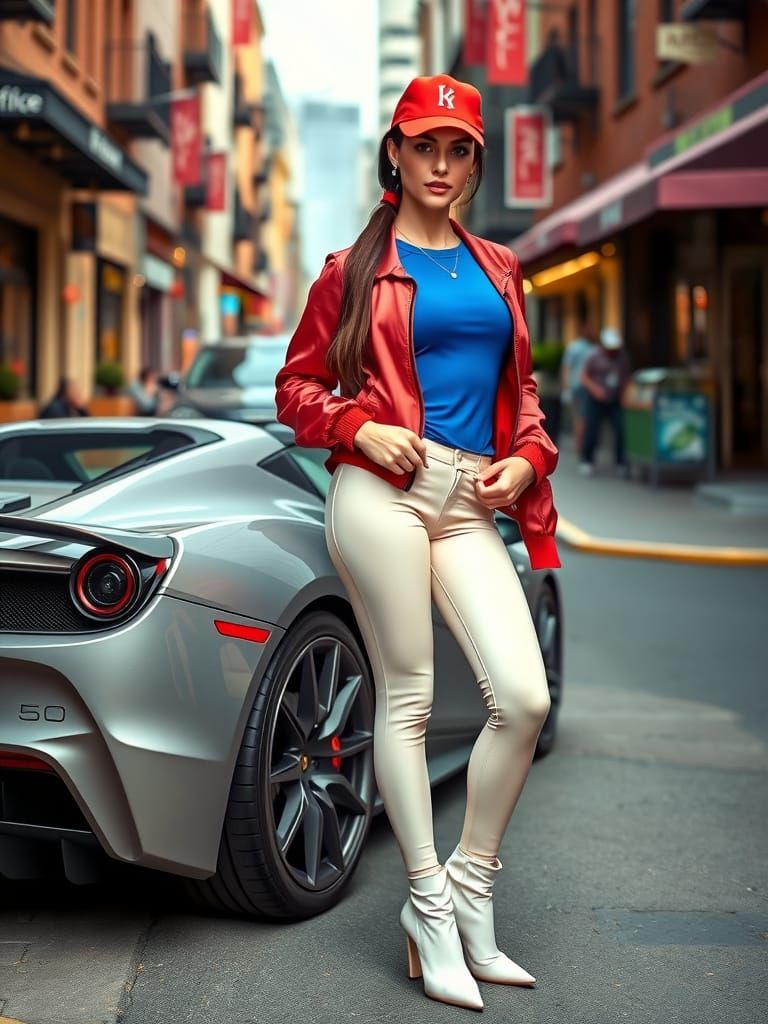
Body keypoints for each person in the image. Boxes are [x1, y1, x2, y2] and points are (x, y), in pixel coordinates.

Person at [275, 74, 559, 1011]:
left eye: (459, 148)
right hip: (383, 491)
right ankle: (427, 906)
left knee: (522, 698)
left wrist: (525, 457)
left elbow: (523, 393)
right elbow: (297, 389)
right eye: (423, 145)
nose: (442, 164)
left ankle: (474, 891)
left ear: (476, 159)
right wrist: (359, 427)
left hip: (471, 496)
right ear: (394, 152)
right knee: (408, 696)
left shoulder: (500, 268)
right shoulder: (351, 270)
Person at [579, 326, 631, 475]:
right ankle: (587, 460)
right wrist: (595, 390)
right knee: (592, 430)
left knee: (620, 429)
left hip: (614, 399)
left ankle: (620, 462)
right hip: (596, 399)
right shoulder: (594, 356)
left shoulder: (622, 357)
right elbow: (584, 376)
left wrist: (624, 394)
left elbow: (626, 377)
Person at [561, 320, 599, 454]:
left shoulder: (595, 348)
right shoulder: (576, 347)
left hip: (592, 388)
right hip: (579, 387)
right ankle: (581, 447)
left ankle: (584, 446)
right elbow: (567, 367)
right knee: (581, 418)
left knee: (586, 418)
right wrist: (566, 387)